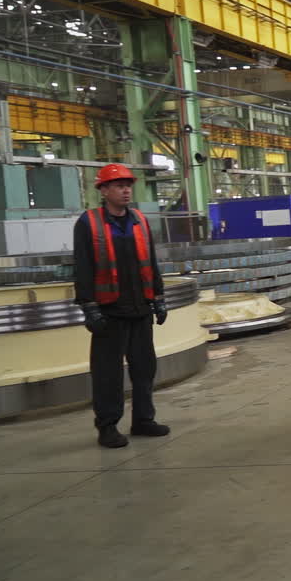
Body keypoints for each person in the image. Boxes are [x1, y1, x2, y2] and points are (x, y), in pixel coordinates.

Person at [72, 164, 171, 448]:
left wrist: (159, 299)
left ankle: (143, 420)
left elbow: (151, 262)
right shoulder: (88, 223)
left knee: (144, 368)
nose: (126, 190)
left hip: (140, 309)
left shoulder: (139, 219)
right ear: (103, 190)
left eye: (128, 184)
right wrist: (89, 306)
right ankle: (107, 426)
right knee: (108, 373)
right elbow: (83, 267)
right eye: (118, 185)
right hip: (109, 312)